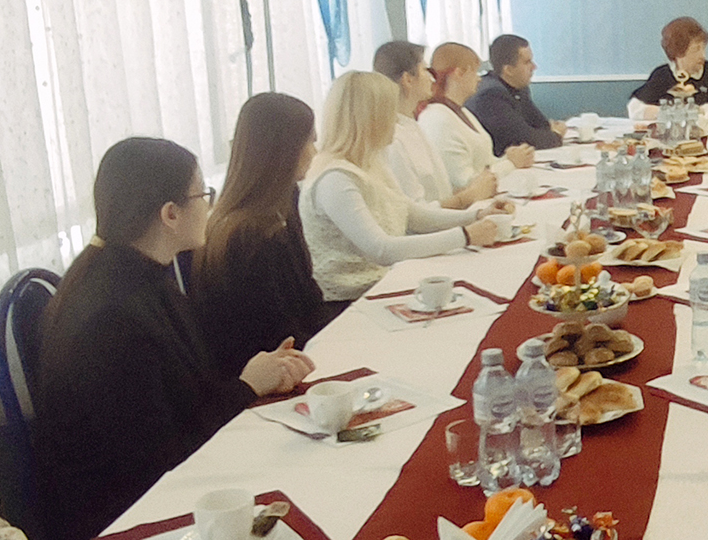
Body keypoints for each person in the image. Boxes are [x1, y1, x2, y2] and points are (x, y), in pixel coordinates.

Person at [35, 137, 315, 540]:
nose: (210, 206)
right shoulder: (112, 316)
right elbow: (160, 454)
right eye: (202, 195)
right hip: (127, 511)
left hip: (161, 474)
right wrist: (246, 387)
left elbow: (187, 392)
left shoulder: (137, 271)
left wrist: (259, 374)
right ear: (170, 213)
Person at [300, 71, 509, 301]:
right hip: (354, 299)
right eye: (391, 114)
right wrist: (465, 236)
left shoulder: (371, 162)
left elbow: (412, 214)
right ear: (371, 119)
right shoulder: (335, 178)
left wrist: (476, 216)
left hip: (388, 280)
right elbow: (381, 250)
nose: (397, 122)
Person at [192, 93, 341, 376]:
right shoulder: (249, 234)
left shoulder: (283, 203)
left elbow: (308, 297)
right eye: (309, 142)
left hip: (298, 351)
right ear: (285, 150)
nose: (314, 152)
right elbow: (276, 332)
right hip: (270, 372)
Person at [373, 40, 497, 207]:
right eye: (425, 70)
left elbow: (441, 192)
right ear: (408, 80)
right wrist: (470, 196)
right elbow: (416, 213)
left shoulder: (411, 125)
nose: (432, 78)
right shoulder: (393, 139)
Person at [418, 42, 534, 190]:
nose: (479, 79)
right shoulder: (438, 119)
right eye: (474, 72)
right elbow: (464, 182)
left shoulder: (462, 112)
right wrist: (510, 164)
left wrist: (508, 158)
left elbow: (483, 163)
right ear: (459, 73)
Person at [466, 34, 565, 155]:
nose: (534, 67)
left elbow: (541, 125)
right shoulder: (491, 95)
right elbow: (523, 140)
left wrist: (550, 132)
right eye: (527, 62)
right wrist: (556, 135)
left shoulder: (519, 88)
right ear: (509, 70)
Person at [627, 16, 708, 120]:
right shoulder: (662, 75)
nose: (703, 55)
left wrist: (699, 111)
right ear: (679, 52)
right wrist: (667, 113)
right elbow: (635, 108)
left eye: (703, 48)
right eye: (695, 50)